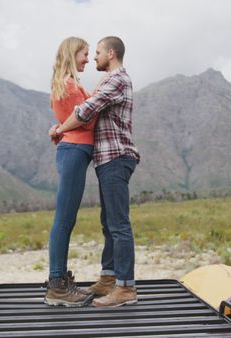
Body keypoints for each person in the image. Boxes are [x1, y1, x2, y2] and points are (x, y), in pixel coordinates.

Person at [50, 36, 140, 307]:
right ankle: (109, 277)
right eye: (88, 53)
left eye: (97, 52)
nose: (92, 58)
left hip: (114, 156)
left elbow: (87, 109)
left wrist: (59, 129)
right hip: (103, 157)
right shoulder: (105, 80)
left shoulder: (117, 79)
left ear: (110, 54)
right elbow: (90, 102)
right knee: (108, 221)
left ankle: (124, 287)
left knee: (118, 223)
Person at [44, 36, 97, 307]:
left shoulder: (64, 84)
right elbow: (88, 120)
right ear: (72, 53)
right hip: (75, 151)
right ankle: (57, 286)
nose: (88, 59)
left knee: (66, 219)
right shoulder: (70, 85)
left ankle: (60, 280)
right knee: (64, 220)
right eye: (84, 54)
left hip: (73, 151)